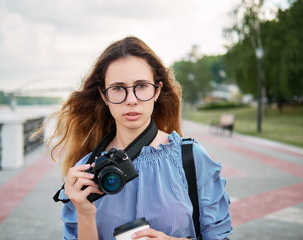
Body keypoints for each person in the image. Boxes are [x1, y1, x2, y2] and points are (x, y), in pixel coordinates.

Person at [47, 36, 232, 240]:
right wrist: (84, 212)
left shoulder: (190, 158)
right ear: (103, 95)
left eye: (142, 86)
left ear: (157, 90)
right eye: (118, 88)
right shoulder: (86, 173)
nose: (132, 100)